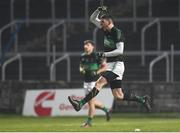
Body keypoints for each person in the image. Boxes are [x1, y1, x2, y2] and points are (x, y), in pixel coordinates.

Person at [68, 6, 152, 113]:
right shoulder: (105, 30)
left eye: (102, 22)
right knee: (118, 95)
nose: (101, 24)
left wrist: (104, 54)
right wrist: (98, 10)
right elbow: (92, 19)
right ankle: (143, 100)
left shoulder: (117, 32)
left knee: (99, 83)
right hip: (111, 65)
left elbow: (120, 51)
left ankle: (79, 104)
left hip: (117, 65)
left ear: (109, 22)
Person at [79, 40, 111, 127]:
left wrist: (97, 72)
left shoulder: (97, 56)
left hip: (95, 82)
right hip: (86, 81)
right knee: (90, 102)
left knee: (90, 102)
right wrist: (81, 69)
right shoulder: (82, 56)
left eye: (88, 45)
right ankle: (106, 110)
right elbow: (81, 66)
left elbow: (105, 67)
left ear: (92, 47)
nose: (85, 46)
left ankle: (89, 122)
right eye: (85, 45)